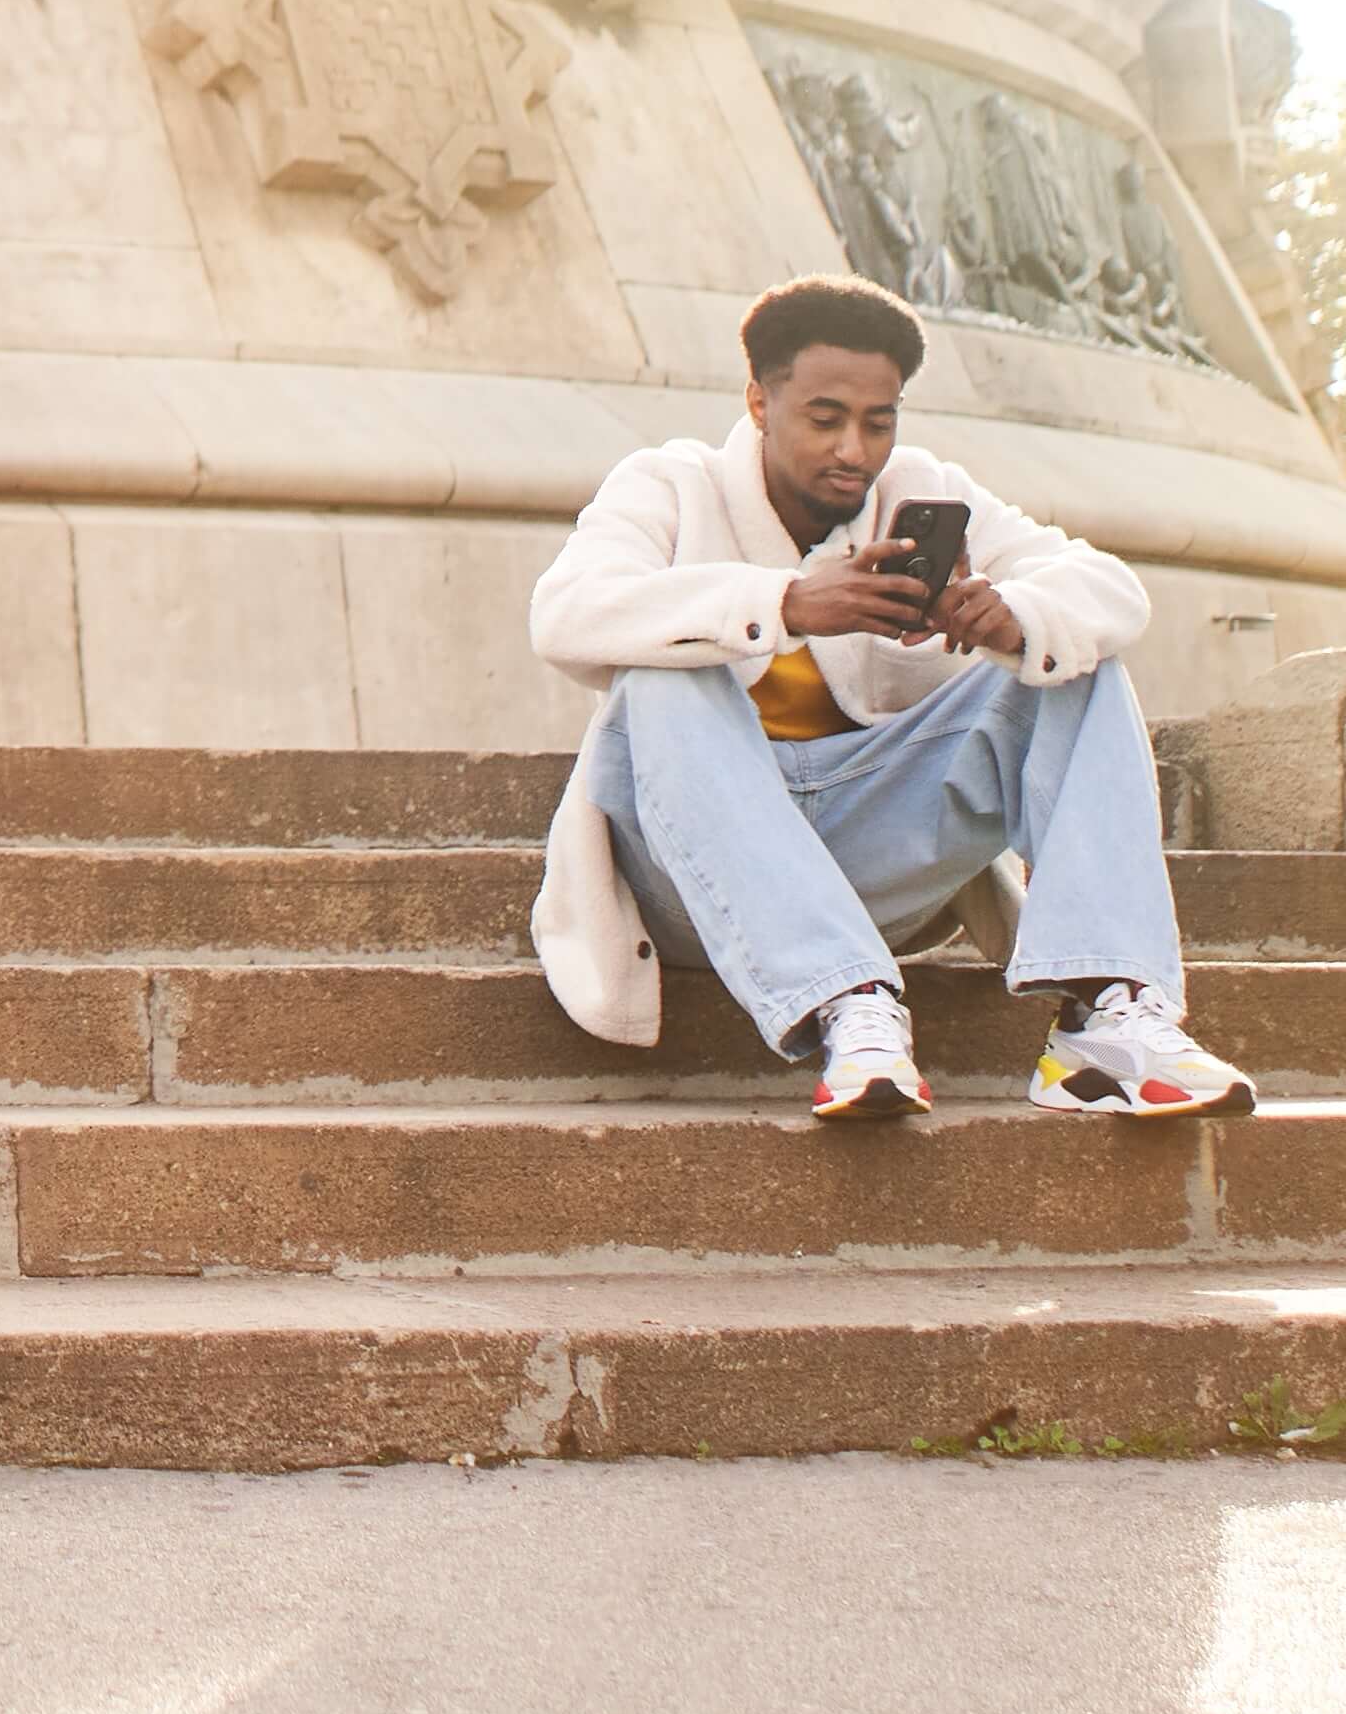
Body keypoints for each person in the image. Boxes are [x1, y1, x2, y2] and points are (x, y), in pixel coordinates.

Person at [526, 273, 1251, 1120]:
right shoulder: (669, 484)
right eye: (824, 418)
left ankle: (1105, 1019)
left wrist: (1014, 616)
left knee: (1072, 659)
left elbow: (1109, 589)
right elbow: (566, 613)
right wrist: (787, 603)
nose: (853, 450)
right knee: (660, 676)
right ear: (759, 402)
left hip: (875, 848)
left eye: (879, 421)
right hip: (693, 878)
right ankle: (852, 1005)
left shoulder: (922, 487)